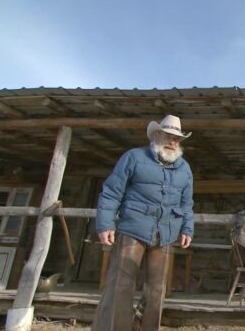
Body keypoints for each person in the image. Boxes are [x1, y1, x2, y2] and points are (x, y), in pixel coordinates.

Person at [91, 115, 195, 331]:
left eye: (177, 139)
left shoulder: (184, 168)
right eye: (168, 136)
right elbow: (111, 192)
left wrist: (187, 228)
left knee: (157, 289)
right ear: (156, 135)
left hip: (166, 233)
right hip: (133, 228)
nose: (173, 142)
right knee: (121, 285)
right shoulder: (134, 157)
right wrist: (105, 224)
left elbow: (187, 203)